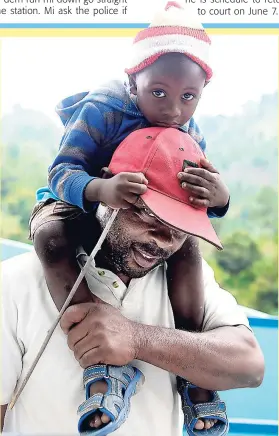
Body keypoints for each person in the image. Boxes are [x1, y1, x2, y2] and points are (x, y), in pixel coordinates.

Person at [29, 2, 231, 434]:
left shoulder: (190, 133)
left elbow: (195, 200)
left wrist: (219, 197)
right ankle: (101, 359)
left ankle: (192, 372)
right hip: (79, 203)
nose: (173, 109)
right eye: (158, 92)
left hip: (146, 214)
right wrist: (102, 189)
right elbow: (62, 170)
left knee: (186, 250)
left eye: (188, 97)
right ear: (132, 79)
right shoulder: (102, 107)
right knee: (50, 240)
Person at [2, 128, 264, 436]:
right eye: (148, 216)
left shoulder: (186, 281)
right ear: (110, 194)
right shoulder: (16, 283)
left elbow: (249, 365)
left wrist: (136, 339)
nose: (163, 242)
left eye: (179, 228)